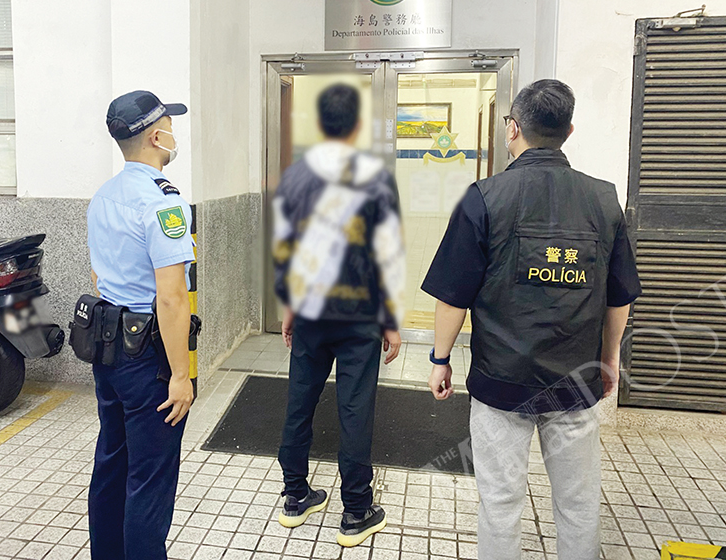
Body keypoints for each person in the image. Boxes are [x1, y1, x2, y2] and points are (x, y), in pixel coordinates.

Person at [422, 79, 641, 560]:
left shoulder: (484, 196)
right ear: (568, 130)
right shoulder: (604, 200)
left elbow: (452, 296)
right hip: (575, 381)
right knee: (579, 503)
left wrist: (440, 358)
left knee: (500, 502)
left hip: (501, 382)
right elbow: (619, 296)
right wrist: (607, 361)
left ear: (513, 127)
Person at [272, 83, 406, 548]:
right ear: (356, 125)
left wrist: (288, 309)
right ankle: (355, 512)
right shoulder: (376, 175)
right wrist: (391, 318)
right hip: (359, 316)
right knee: (354, 408)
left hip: (309, 311)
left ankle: (294, 496)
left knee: (299, 400)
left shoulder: (295, 177)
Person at [86, 90, 195, 560]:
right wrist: (180, 374)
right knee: (149, 479)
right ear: (156, 136)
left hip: (106, 350)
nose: (174, 134)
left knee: (112, 463)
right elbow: (171, 299)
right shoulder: (165, 204)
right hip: (147, 357)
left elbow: (98, 274)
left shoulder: (104, 196)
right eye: (170, 125)